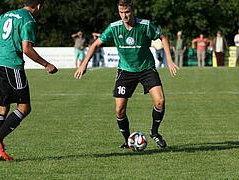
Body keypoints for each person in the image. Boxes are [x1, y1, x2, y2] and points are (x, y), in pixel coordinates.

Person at [74, 0, 178, 149]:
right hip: (125, 71)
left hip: (146, 68)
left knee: (160, 101)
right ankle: (128, 140)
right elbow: (96, 44)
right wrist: (84, 64)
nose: (124, 15)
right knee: (119, 109)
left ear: (133, 11)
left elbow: (163, 37)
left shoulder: (145, 25)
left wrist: (169, 61)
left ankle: (155, 132)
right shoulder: (114, 28)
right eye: (121, 12)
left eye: (127, 12)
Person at [0, 0, 57, 161]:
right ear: (38, 5)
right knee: (24, 107)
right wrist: (46, 64)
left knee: (3, 106)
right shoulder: (28, 19)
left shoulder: (5, 15)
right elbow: (27, 49)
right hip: (11, 65)